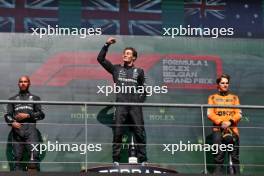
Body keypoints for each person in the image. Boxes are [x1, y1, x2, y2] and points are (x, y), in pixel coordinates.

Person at [97, 37, 147, 164]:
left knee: (139, 132)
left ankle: (143, 160)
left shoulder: (139, 71)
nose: (125, 54)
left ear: (134, 58)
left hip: (135, 107)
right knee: (118, 132)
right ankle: (116, 160)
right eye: (124, 53)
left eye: (128, 53)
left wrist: (138, 102)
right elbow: (100, 59)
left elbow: (143, 89)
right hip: (121, 106)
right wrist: (106, 44)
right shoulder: (116, 69)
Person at [4, 76, 45, 171]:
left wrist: (27, 115)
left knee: (34, 158)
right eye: (21, 82)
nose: (23, 83)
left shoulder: (35, 98)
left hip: (31, 130)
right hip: (17, 130)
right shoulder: (12, 99)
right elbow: (7, 115)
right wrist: (12, 122)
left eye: (25, 81)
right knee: (17, 159)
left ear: (29, 83)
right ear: (18, 84)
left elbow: (41, 115)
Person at [207, 74, 241, 174]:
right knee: (218, 157)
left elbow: (238, 113)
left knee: (235, 158)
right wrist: (221, 122)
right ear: (218, 85)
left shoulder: (234, 98)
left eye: (227, 83)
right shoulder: (212, 97)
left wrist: (229, 122)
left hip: (233, 130)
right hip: (218, 130)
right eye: (222, 83)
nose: (225, 85)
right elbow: (210, 113)